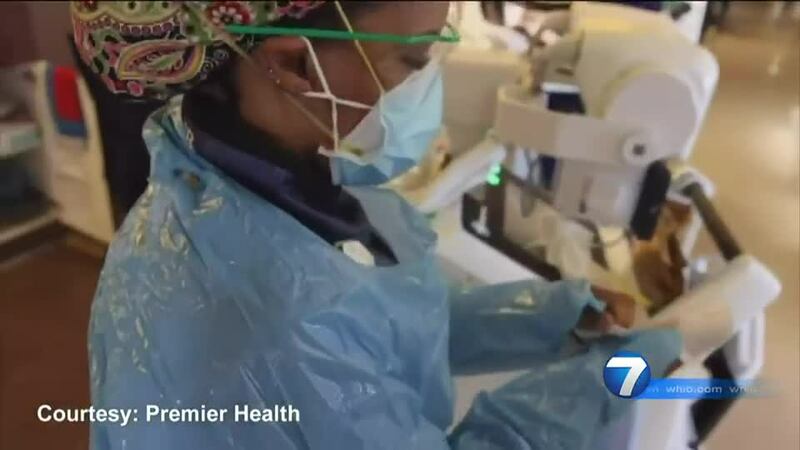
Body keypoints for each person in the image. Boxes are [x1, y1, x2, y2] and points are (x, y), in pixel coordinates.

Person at [72, 1, 681, 449]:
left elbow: (386, 322)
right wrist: (602, 387)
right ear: (296, 64)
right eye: (413, 59)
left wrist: (548, 317)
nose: (427, 84)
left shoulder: (240, 175)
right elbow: (329, 341)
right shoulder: (275, 317)